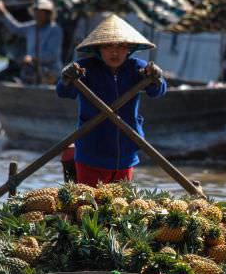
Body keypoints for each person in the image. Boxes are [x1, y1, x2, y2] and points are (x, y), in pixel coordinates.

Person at [56, 14, 167, 186]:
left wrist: (156, 77)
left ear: (129, 49)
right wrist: (67, 78)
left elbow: (157, 92)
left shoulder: (138, 68)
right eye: (108, 46)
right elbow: (64, 92)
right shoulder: (85, 68)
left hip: (126, 152)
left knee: (118, 206)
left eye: (121, 47)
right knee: (88, 206)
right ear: (99, 48)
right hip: (92, 151)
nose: (115, 52)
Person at [0, 0, 63, 83]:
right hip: (31, 69)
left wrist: (32, 58)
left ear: (48, 14)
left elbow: (52, 55)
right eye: (36, 11)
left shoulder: (55, 29)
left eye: (41, 12)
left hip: (51, 71)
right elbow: (15, 28)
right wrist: (3, 12)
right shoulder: (31, 27)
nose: (38, 14)